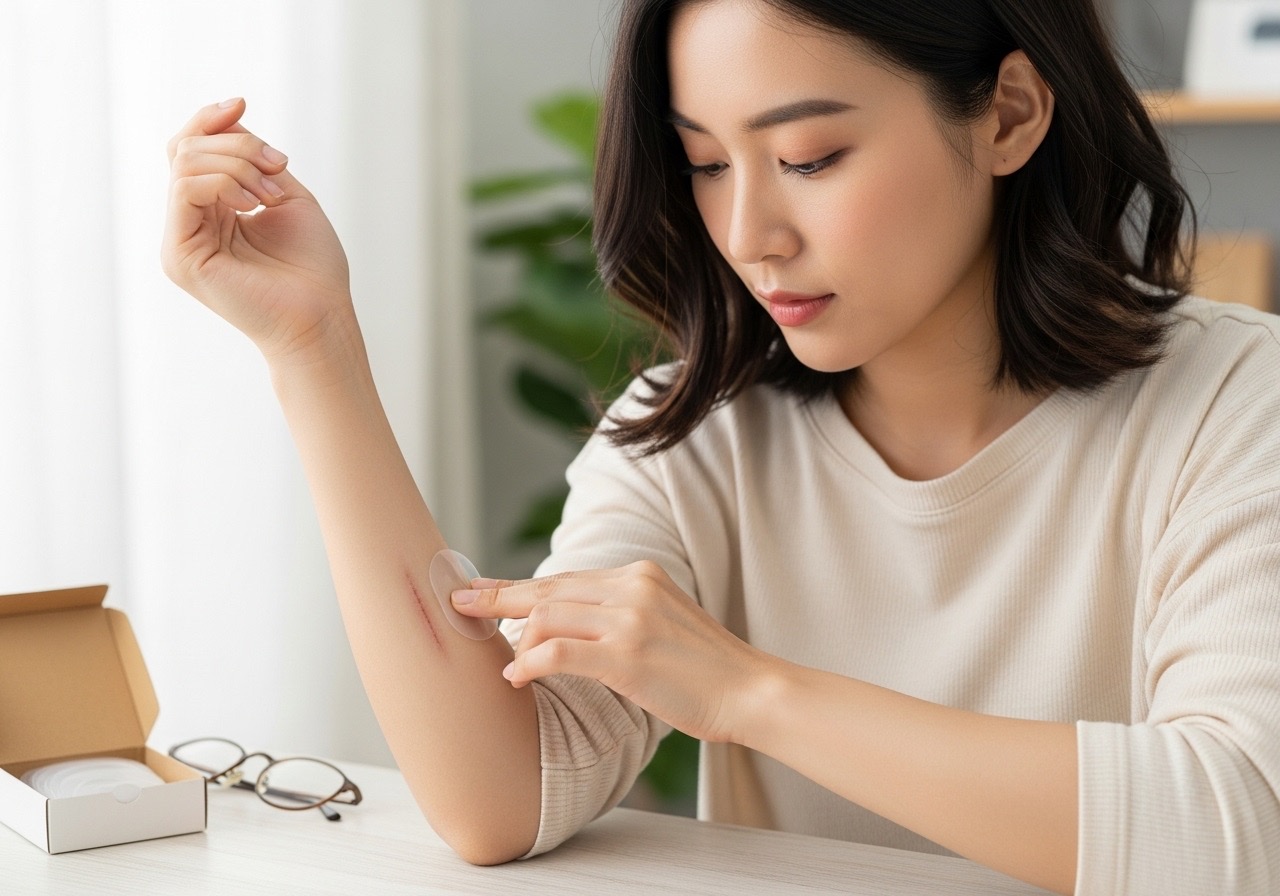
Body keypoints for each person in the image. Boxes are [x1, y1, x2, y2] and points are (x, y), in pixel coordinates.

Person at [161, 1, 1280, 893]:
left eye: (808, 156)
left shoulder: (1235, 400)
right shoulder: (694, 434)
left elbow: (1237, 825)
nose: (749, 235)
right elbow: (500, 798)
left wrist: (750, 693)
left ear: (1008, 116)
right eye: (704, 163)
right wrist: (314, 349)